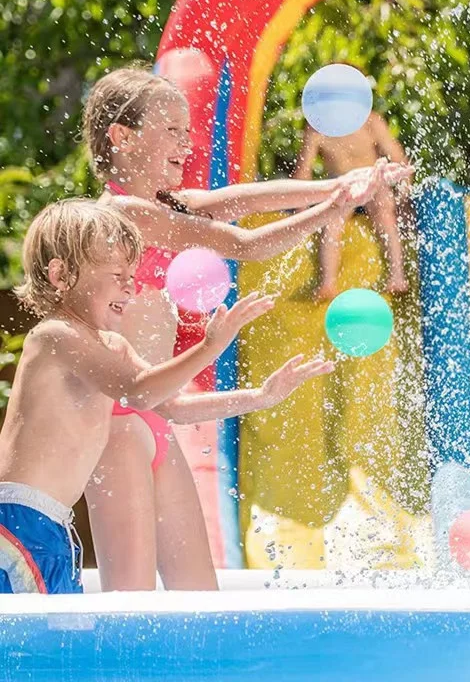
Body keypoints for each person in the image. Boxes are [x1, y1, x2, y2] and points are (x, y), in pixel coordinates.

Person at [81, 67, 409, 591]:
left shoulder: (164, 206)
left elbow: (242, 198)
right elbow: (244, 243)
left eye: (188, 132)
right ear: (122, 137)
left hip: (158, 422)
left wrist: (336, 182)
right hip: (120, 431)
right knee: (130, 605)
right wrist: (330, 208)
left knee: (200, 600)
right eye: (171, 130)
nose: (186, 144)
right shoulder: (121, 214)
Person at [0, 200, 328, 593]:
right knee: (30, 649)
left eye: (132, 275)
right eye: (117, 274)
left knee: (58, 647)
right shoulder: (55, 337)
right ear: (61, 275)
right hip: (22, 521)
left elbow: (169, 403)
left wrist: (260, 396)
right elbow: (139, 393)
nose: (130, 286)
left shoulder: (111, 345)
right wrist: (209, 346)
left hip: (53, 526)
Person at [295, 111, 413, 299]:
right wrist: (300, 211)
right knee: (332, 221)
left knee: (385, 213)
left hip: (372, 178)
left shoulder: (370, 121)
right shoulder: (318, 128)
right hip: (342, 183)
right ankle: (328, 283)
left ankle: (397, 276)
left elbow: (398, 157)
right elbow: (304, 169)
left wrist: (403, 195)